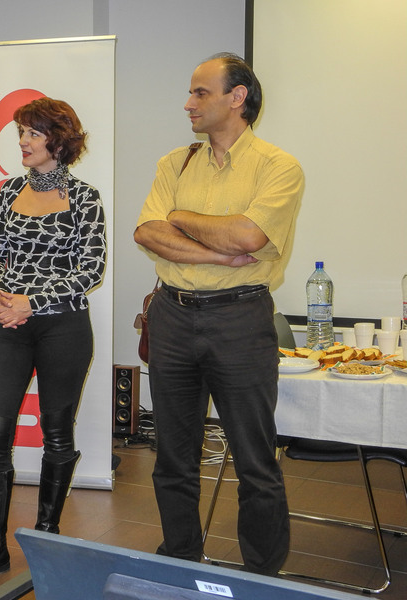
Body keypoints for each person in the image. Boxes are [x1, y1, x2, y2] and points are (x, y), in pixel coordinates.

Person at [134, 52, 304, 576]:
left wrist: (180, 217)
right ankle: (180, 559)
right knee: (172, 457)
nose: (188, 103)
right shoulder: (174, 162)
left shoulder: (278, 166)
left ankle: (262, 576)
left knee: (254, 460)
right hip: (172, 316)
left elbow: (249, 236)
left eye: (200, 92)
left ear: (238, 97)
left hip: (241, 320)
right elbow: (147, 232)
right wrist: (218, 252)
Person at [0, 98, 106, 589]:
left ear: (58, 140)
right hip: (8, 325)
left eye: (32, 133)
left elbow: (91, 269)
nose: (22, 141)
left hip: (63, 328)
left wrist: (31, 302)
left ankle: (46, 539)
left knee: (57, 436)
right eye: (21, 132)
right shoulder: (10, 191)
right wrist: (3, 293)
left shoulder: (85, 197)